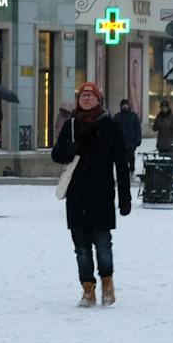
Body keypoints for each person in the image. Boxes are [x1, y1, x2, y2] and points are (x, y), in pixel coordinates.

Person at [51, 82, 131, 306]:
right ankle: (88, 290)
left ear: (98, 99)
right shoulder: (71, 125)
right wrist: (70, 150)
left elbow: (121, 164)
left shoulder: (111, 126)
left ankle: (107, 284)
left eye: (90, 95)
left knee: (103, 245)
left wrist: (125, 198)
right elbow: (56, 154)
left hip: (102, 193)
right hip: (77, 195)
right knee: (82, 249)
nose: (85, 98)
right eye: (82, 95)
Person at [114, 98, 144, 170]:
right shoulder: (117, 116)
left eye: (126, 105)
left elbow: (138, 129)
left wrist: (137, 141)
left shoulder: (133, 116)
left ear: (128, 105)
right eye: (123, 105)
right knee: (121, 161)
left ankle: (132, 171)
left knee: (131, 159)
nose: (125, 106)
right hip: (120, 144)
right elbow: (113, 130)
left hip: (131, 143)